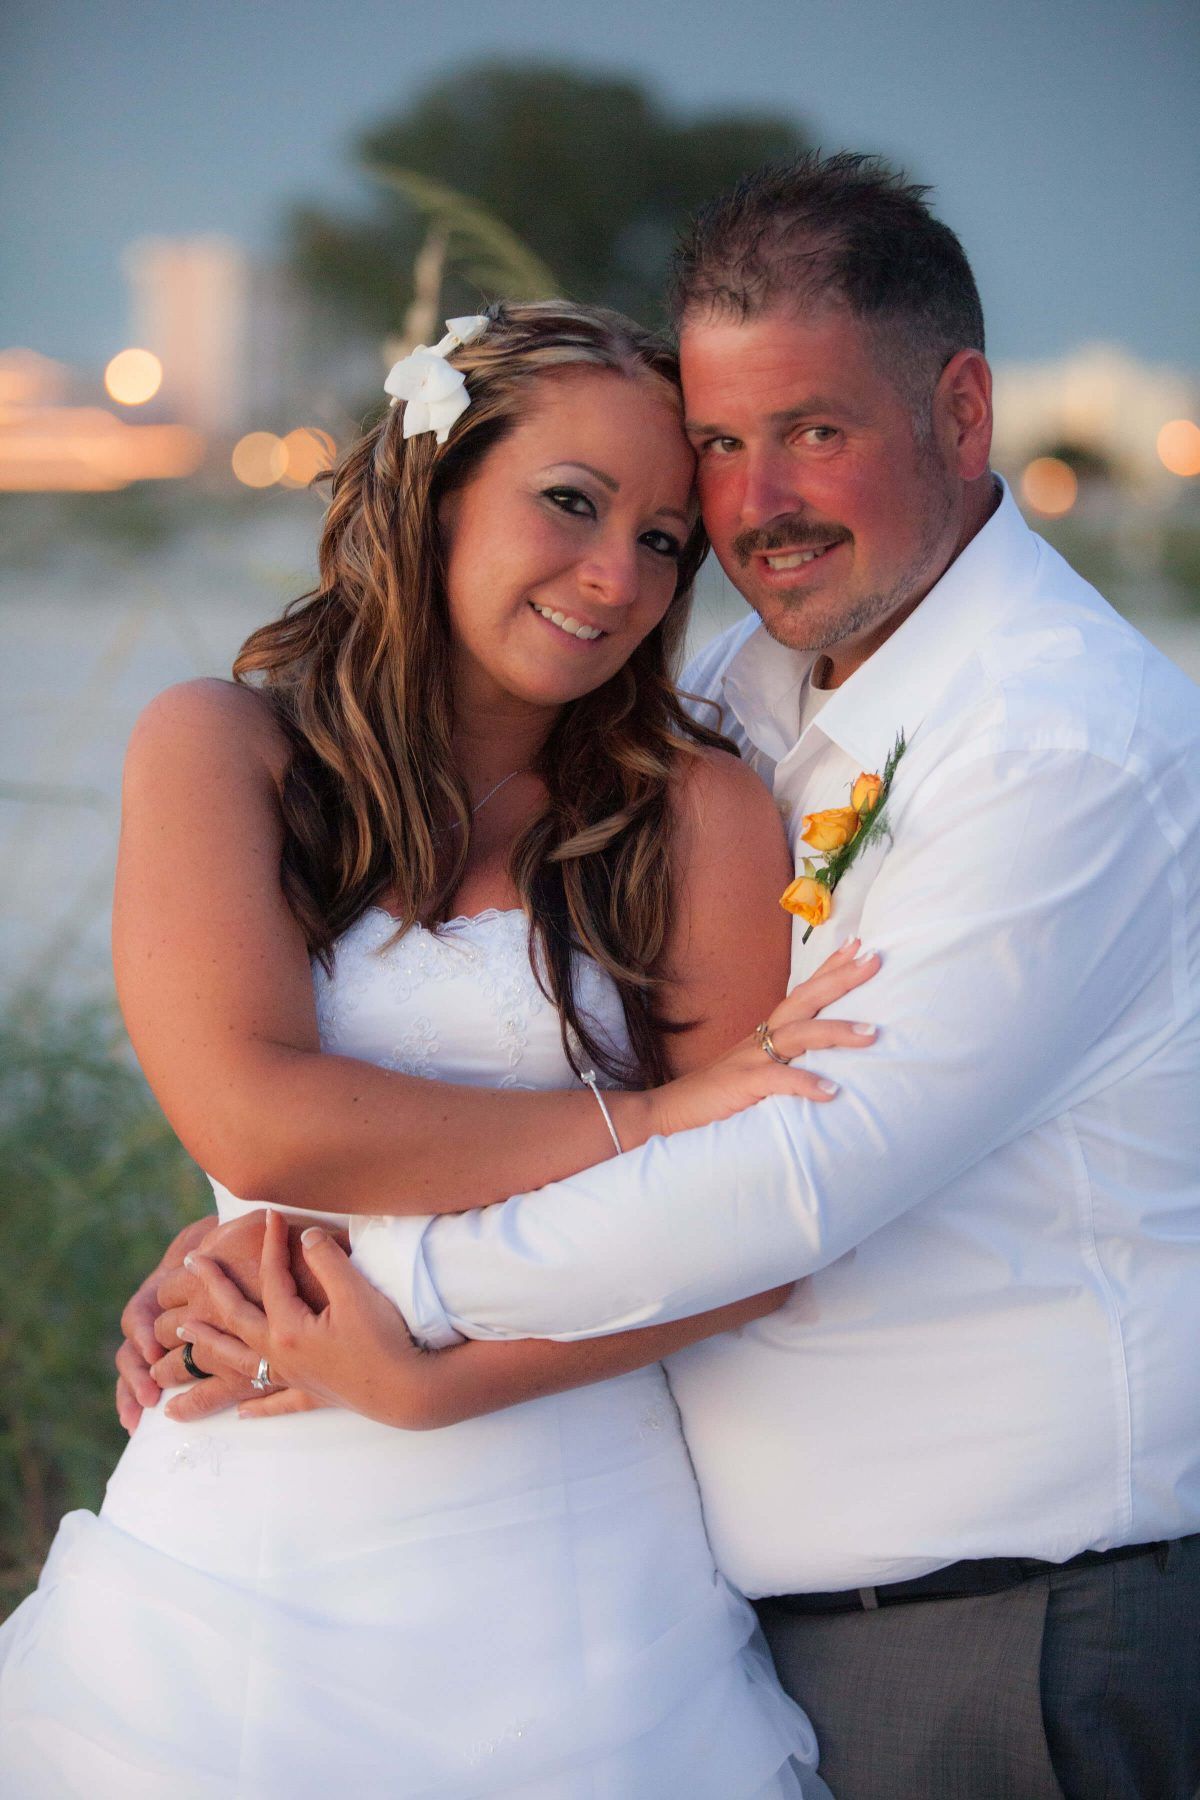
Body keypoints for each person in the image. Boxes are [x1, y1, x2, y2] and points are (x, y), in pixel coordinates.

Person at [145, 155, 1200, 1799]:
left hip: (1019, 1626)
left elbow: (792, 1176)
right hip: (737, 1607)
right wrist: (240, 1257)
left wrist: (326, 1300)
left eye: (817, 430)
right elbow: (270, 1101)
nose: (739, 508)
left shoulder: (1057, 743)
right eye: (719, 447)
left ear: (965, 410)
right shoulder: (738, 690)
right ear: (438, 486)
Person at [0, 300, 889, 1796]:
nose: (618, 575)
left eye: (669, 537)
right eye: (571, 502)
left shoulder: (695, 812)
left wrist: (428, 1378)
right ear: (435, 483)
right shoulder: (223, 750)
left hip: (575, 1568)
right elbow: (263, 1129)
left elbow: (762, 1238)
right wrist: (653, 1121)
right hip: (244, 1549)